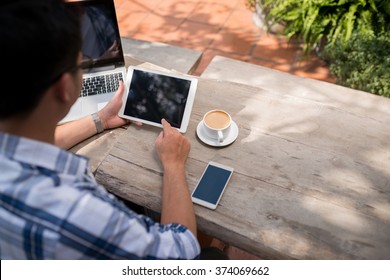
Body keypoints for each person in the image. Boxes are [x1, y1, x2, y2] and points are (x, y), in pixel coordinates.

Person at [0, 0, 200, 259]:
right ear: (64, 87)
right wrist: (173, 163)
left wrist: (100, 119)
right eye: (80, 64)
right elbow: (181, 253)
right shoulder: (78, 213)